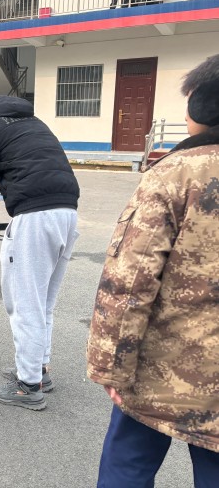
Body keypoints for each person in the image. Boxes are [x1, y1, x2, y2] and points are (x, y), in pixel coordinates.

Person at [87, 55, 219, 487]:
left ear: (202, 105)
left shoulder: (177, 173)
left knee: (129, 462)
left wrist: (111, 366)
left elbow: (130, 280)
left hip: (166, 365)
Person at [0, 95, 79, 410]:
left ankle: (27, 386)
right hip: (66, 212)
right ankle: (38, 370)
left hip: (36, 220)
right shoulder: (30, 122)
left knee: (24, 304)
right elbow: (28, 168)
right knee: (43, 302)